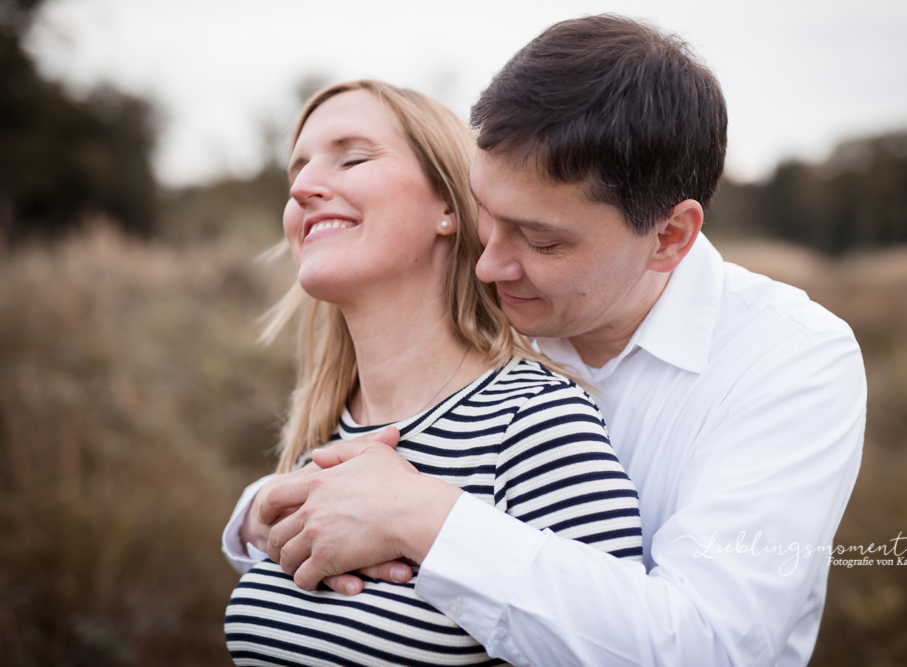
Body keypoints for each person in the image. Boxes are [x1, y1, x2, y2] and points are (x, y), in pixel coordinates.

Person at [225, 15, 866, 667]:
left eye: (541, 239)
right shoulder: (489, 313)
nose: (487, 264)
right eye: (485, 213)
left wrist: (424, 516)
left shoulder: (791, 360)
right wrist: (272, 509)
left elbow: (707, 647)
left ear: (669, 237)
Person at [222, 79, 643, 666]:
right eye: (298, 168)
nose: (302, 187)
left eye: (352, 157)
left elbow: (621, 646)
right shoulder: (319, 442)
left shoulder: (535, 420)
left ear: (448, 205)